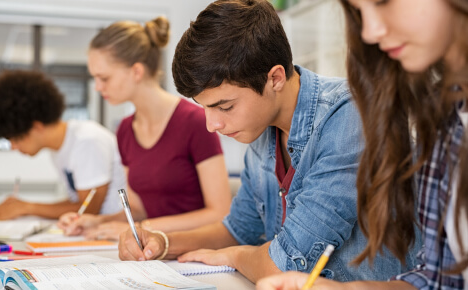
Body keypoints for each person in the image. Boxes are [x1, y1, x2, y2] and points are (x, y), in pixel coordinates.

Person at [118, 0, 420, 283]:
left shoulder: (348, 117)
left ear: (275, 78)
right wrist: (160, 241)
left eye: (224, 107)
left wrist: (236, 256)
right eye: (206, 108)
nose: (212, 125)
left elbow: (285, 264)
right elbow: (238, 230)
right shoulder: (264, 132)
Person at [257, 0, 468, 289]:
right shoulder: (445, 119)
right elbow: (439, 278)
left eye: (383, 1)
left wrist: (236, 254)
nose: (369, 32)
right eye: (358, 12)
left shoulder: (343, 114)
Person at [58, 16, 232, 240]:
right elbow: (138, 211)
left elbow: (219, 213)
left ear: (136, 72)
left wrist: (144, 228)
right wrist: (97, 222)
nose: (98, 87)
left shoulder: (196, 121)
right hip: (154, 252)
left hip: (197, 251)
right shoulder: (125, 130)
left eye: (104, 78)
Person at [0, 70, 124, 220]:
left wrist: (26, 207)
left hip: (116, 233)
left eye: (16, 139)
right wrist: (24, 207)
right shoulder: (59, 149)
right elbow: (77, 202)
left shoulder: (87, 140)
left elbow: (88, 209)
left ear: (36, 127)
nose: (13, 147)